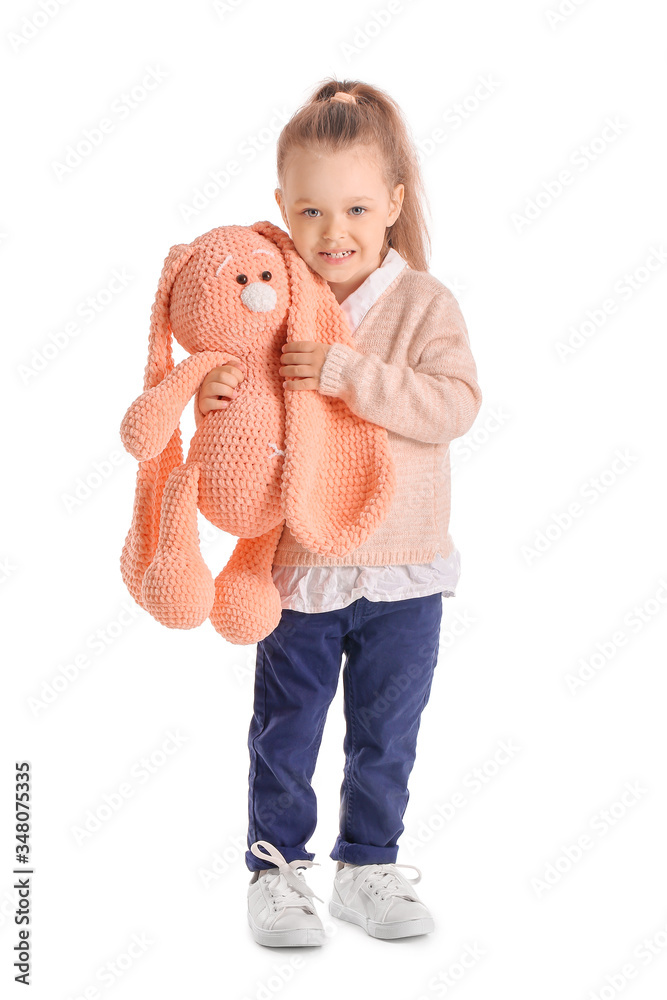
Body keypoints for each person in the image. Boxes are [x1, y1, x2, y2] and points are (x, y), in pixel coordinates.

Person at [198, 78, 483, 947]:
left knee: (385, 730)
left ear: (393, 205)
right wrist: (214, 394)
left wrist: (345, 373)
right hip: (304, 563)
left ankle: (368, 866)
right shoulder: (275, 301)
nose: (334, 233)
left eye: (357, 208)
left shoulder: (424, 304)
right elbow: (250, 412)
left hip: (404, 569)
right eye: (312, 212)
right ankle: (276, 870)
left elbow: (453, 406)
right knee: (286, 724)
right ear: (282, 206)